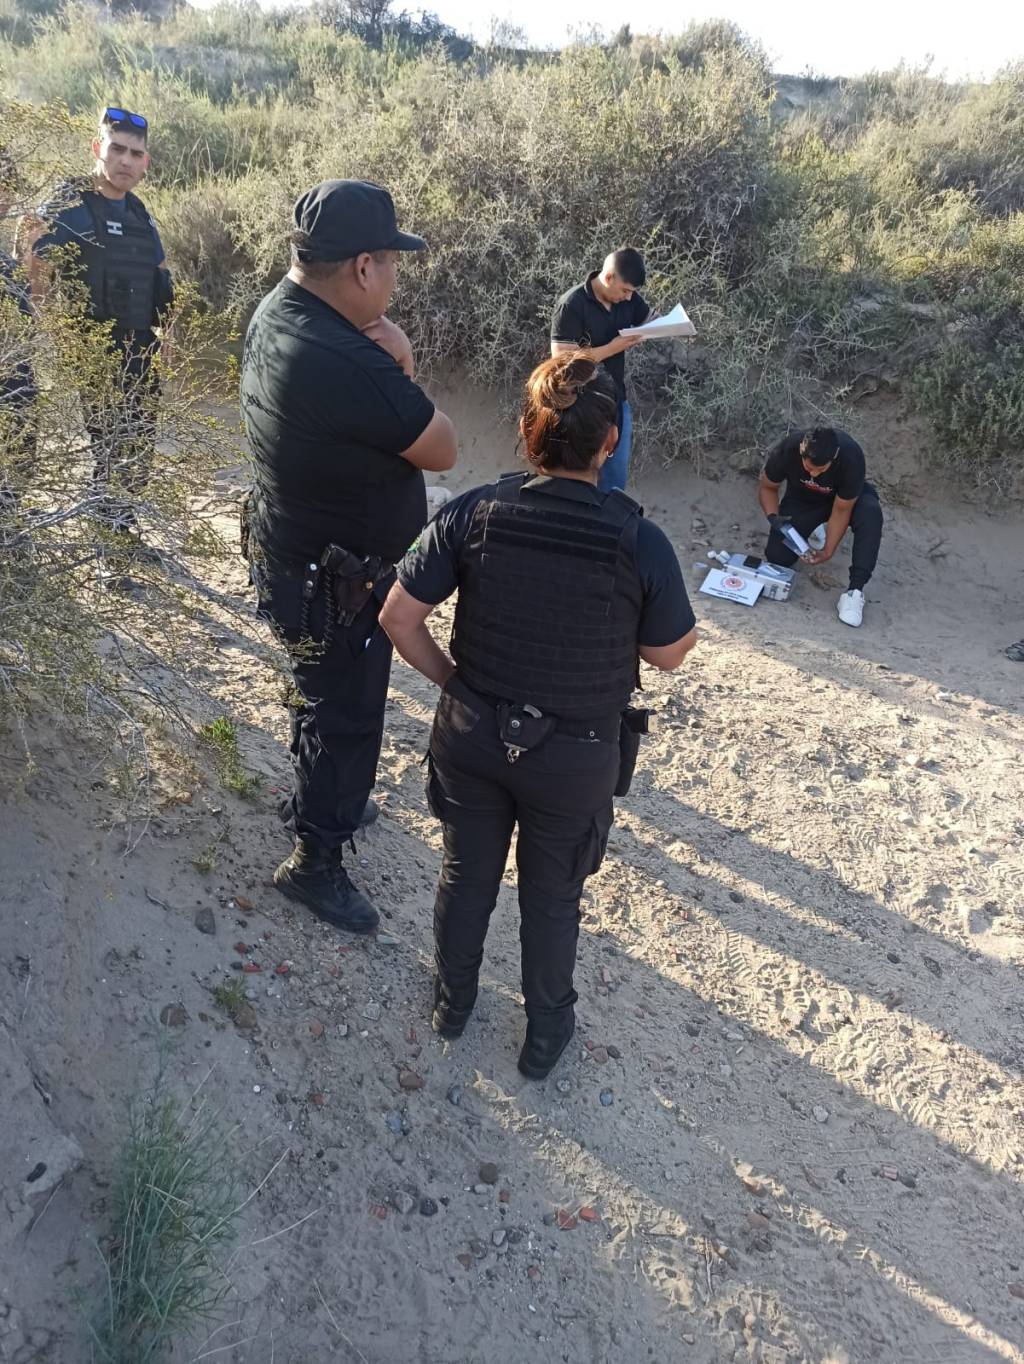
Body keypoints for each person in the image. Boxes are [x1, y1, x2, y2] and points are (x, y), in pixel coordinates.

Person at [380, 352, 697, 1080]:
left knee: (466, 875)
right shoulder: (638, 540)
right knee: (553, 900)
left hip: (472, 735)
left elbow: (398, 617)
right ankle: (545, 1033)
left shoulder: (474, 511)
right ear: (610, 442)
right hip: (574, 757)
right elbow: (669, 654)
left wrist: (454, 683)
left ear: (527, 432)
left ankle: (452, 1002)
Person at [240, 179, 457, 935]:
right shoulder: (348, 360)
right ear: (363, 267)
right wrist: (402, 360)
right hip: (335, 586)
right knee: (348, 716)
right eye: (391, 262)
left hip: (292, 560)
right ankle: (315, 861)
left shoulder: (277, 312)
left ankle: (315, 798)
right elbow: (442, 446)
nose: (395, 277)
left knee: (318, 694)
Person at [23, 106, 172, 553]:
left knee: (138, 446)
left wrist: (169, 338)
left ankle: (120, 532)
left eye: (135, 154)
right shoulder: (71, 204)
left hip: (141, 352)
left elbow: (159, 274)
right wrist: (53, 332)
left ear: (146, 162)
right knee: (111, 446)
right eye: (117, 149)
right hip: (97, 354)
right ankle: (107, 552)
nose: (126, 161)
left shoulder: (139, 212)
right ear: (97, 149)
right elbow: (34, 261)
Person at [759, 426, 884, 628]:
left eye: (821, 469)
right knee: (778, 557)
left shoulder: (851, 457)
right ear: (802, 450)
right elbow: (768, 487)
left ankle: (854, 591)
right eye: (809, 469)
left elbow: (841, 510)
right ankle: (813, 529)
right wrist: (774, 518)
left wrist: (827, 551)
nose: (815, 474)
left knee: (870, 513)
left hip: (844, 501)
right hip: (803, 500)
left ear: (834, 457)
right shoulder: (788, 448)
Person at [550, 248, 649, 493]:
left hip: (616, 404)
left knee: (614, 484)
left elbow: (649, 319)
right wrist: (613, 348)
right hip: (578, 408)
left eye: (632, 292)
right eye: (625, 290)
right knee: (576, 483)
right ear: (608, 277)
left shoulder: (628, 300)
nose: (629, 297)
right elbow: (562, 361)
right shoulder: (571, 305)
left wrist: (669, 326)